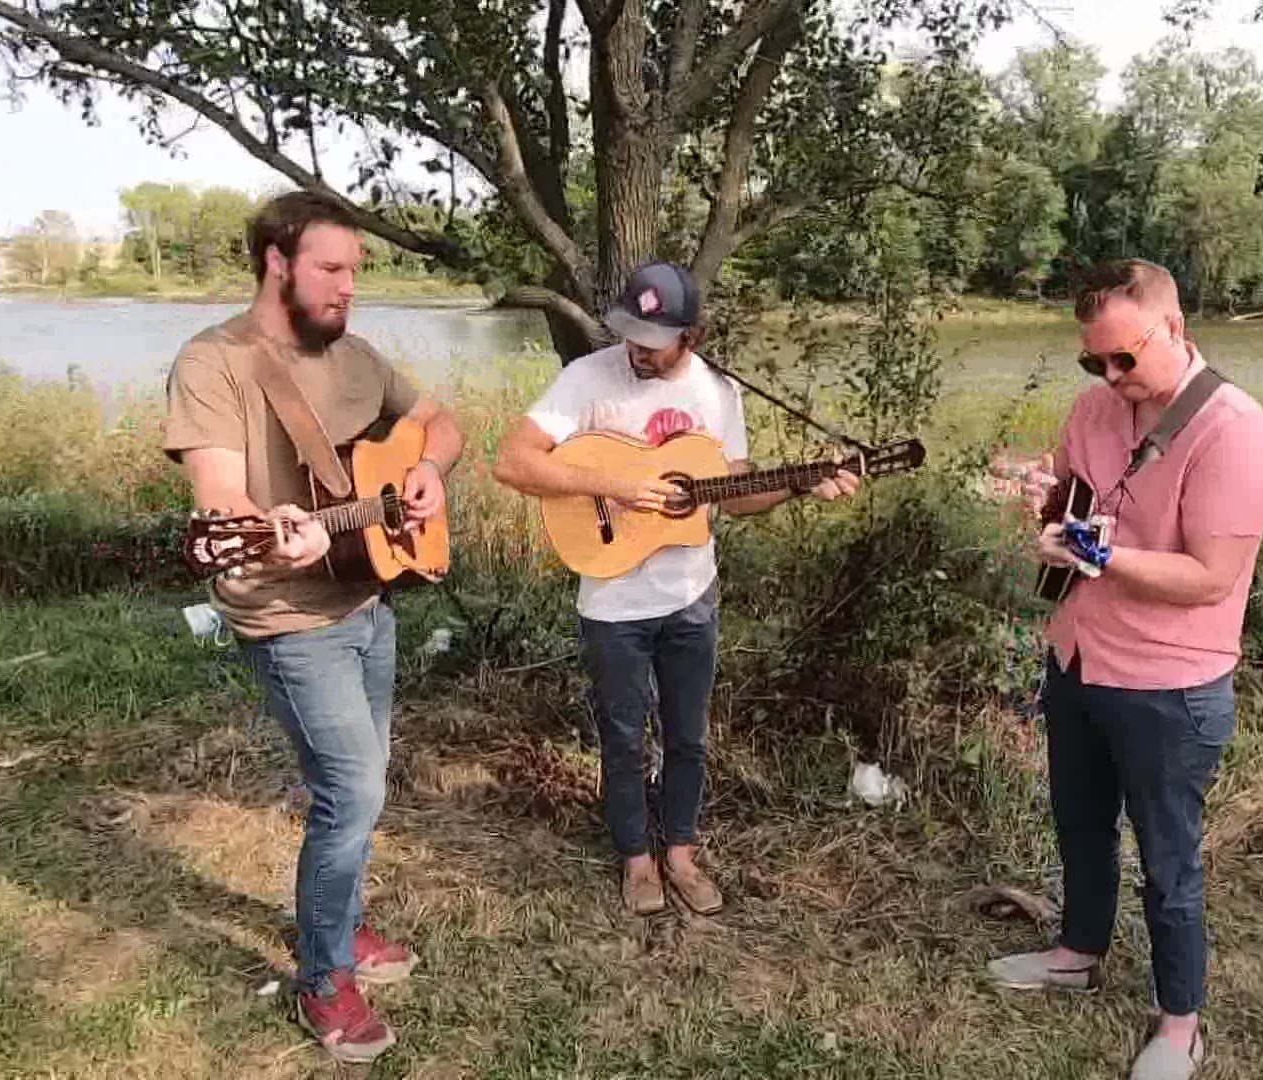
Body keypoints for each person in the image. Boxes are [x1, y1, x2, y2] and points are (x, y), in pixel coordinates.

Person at [161, 190, 464, 1065]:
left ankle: (343, 921)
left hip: (369, 597)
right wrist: (276, 526)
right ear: (277, 262)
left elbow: (439, 424)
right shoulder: (213, 362)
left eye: (354, 272)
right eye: (332, 269)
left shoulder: (359, 358)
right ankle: (325, 974)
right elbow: (220, 501)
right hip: (288, 613)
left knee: (357, 788)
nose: (347, 288)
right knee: (354, 793)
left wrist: (430, 474)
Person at [985, 259, 1263, 1080]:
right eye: (1095, 361)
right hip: (1079, 657)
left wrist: (1095, 552)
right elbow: (1077, 508)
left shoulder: (1235, 430)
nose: (1112, 378)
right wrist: (1044, 509)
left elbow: (1210, 579)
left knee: (1168, 861)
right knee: (1080, 826)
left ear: (1176, 329)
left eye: (1126, 358)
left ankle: (1179, 1023)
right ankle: (1077, 952)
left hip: (1169, 684)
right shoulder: (1091, 408)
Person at [493, 261, 860, 916]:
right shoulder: (587, 379)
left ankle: (682, 853)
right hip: (611, 599)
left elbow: (739, 492)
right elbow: (512, 461)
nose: (635, 348)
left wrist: (803, 480)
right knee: (623, 734)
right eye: (629, 332)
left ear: (691, 335)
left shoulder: (718, 392)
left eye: (652, 340)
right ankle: (637, 860)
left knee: (688, 734)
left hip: (692, 594)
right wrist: (614, 486)